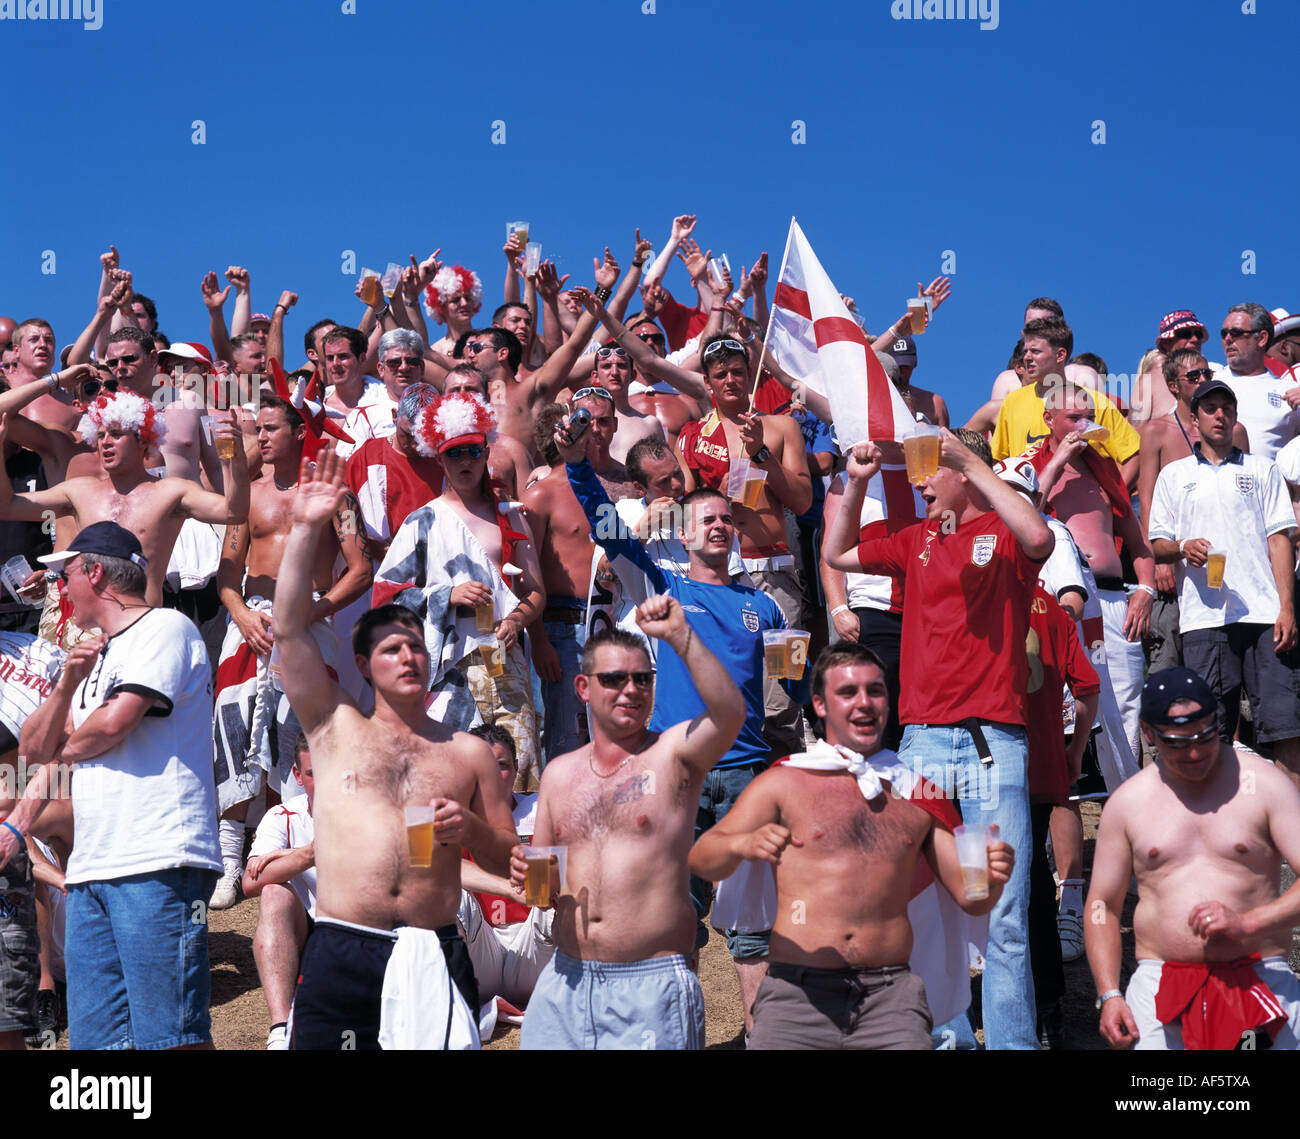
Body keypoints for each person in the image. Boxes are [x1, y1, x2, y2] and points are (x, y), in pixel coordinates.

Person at [273, 446, 517, 1050]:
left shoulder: (468, 752)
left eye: (415, 647)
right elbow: (287, 629)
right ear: (364, 665)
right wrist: (306, 529)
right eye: (391, 650)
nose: (408, 656)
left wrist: (472, 831)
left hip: (436, 945)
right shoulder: (333, 729)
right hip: (343, 946)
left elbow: (512, 854)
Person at [822, 427, 1054, 1050]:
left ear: (962, 468)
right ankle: (946, 1039)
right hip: (922, 744)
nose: (921, 479)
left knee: (1001, 913)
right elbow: (838, 555)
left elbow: (1040, 536)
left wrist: (974, 465)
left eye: (932, 469)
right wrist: (857, 482)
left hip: (991, 743)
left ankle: (1011, 1045)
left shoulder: (1004, 532)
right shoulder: (916, 539)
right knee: (924, 909)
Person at [689, 643, 1013, 1049]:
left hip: (891, 997)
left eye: (875, 691)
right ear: (821, 705)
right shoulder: (785, 782)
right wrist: (742, 841)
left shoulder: (916, 792)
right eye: (848, 692)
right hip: (796, 995)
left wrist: (993, 877)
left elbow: (972, 898)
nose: (865, 703)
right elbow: (703, 857)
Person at [1, 522, 222, 1050]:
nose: (58, 588)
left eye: (66, 574)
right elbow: (35, 753)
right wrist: (64, 690)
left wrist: (65, 742)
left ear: (95, 572)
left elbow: (114, 724)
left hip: (159, 860)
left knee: (169, 1034)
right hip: (91, 869)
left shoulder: (165, 628)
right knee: (97, 1043)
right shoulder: (92, 657)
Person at [510, 594, 745, 1049]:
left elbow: (729, 713)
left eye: (642, 679)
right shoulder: (558, 774)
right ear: (583, 687)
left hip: (650, 984)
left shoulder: (673, 756)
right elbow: (544, 892)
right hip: (567, 979)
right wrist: (531, 875)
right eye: (614, 679)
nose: (631, 689)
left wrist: (681, 636)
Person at [1086, 667, 1300, 1050]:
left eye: (1205, 736)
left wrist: (1248, 922)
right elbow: (1102, 904)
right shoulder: (1129, 803)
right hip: (1160, 984)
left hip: (1261, 976)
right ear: (1149, 735)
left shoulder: (1264, 784)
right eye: (1177, 743)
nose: (1196, 752)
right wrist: (1109, 993)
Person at [211, 396, 371, 908]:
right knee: (230, 721)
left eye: (272, 428)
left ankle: (291, 850)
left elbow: (361, 568)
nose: (262, 438)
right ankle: (231, 861)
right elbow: (227, 575)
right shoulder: (246, 497)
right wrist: (239, 613)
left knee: (296, 727)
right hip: (251, 622)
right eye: (257, 429)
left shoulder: (336, 497)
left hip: (308, 622)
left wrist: (315, 611)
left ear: (301, 432)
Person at [373, 392, 546, 791]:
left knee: (516, 779)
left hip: (505, 663)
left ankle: (512, 854)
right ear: (438, 459)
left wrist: (515, 620)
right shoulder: (423, 522)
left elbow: (535, 593)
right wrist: (444, 596)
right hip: (447, 669)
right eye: (454, 454)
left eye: (472, 451)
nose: (465, 461)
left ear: (486, 452)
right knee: (447, 781)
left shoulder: (511, 512)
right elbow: (384, 595)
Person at [1148, 378, 1300, 782]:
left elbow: (1280, 540)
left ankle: (1291, 835)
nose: (1220, 415)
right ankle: (1221, 832)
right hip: (1204, 618)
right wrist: (1182, 547)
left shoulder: (1262, 468)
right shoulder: (1174, 475)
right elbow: (1157, 544)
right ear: (1194, 420)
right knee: (1210, 730)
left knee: (1286, 728)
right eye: (1210, 409)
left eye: (1226, 409)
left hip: (1266, 614)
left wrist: (1286, 607)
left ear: (1235, 418)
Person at [676, 333, 812, 755]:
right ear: (708, 382)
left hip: (777, 575)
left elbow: (803, 500)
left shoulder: (782, 426)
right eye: (721, 374)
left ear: (750, 375)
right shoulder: (692, 436)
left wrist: (761, 456)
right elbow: (683, 505)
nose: (731, 380)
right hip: (722, 580)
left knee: (783, 694)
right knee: (728, 687)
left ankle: (787, 787)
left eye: (738, 371)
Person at [522, 387, 638, 767]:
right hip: (562, 627)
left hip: (615, 620)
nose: (593, 431)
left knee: (615, 732)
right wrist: (538, 640)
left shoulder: (615, 489)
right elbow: (526, 574)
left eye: (599, 422)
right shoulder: (541, 495)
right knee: (565, 737)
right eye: (584, 422)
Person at [1137, 349, 1251, 673]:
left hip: (1226, 562)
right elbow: (1146, 499)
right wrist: (1160, 560)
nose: (1202, 380)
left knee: (1230, 666)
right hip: (1176, 562)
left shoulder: (1235, 430)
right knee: (1170, 660)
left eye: (1206, 374)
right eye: (1193, 376)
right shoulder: (1156, 432)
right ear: (1174, 386)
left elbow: (1245, 495)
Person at [456, 725, 555, 1017]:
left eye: (500, 766)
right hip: (480, 949)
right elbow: (440, 870)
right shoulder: (454, 816)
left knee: (561, 899)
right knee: (444, 892)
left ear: (515, 769)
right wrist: (506, 887)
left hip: (534, 947)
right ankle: (452, 996)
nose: (491, 776)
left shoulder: (538, 809)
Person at [992, 317, 1140, 488]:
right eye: (1026, 351)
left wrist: (1113, 502)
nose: (1027, 357)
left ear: (1060, 355)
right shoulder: (1013, 401)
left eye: (1035, 352)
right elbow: (999, 460)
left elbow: (1133, 455)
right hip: (1028, 509)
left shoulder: (1096, 403)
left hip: (1082, 509)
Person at [242, 732, 316, 1050]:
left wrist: (284, 856)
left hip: (360, 929)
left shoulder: (370, 810)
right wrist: (307, 855)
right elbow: (250, 882)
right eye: (314, 774)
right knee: (273, 893)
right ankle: (280, 1028)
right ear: (298, 776)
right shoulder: (283, 815)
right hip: (305, 928)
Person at [1217, 303, 1300, 461]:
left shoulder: (1289, 390)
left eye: (1236, 332)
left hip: (1272, 483)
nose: (1228, 339)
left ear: (1262, 339)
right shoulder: (1209, 383)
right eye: (1224, 333)